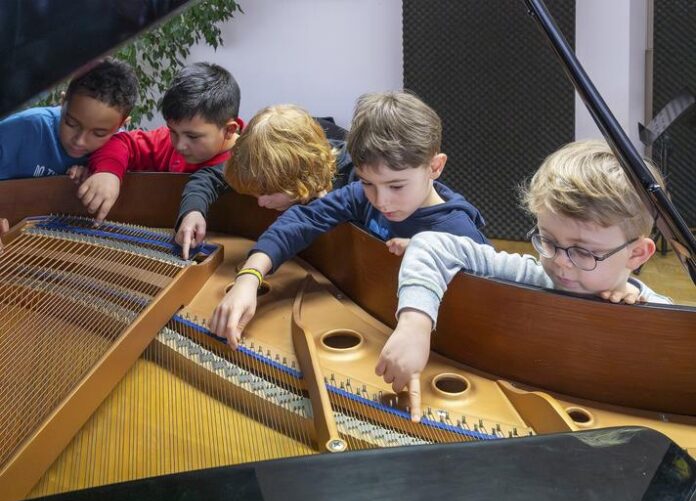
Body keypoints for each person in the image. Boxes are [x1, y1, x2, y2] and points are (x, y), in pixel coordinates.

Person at [377, 139, 672, 422]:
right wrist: (415, 323)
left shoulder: (662, 318)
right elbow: (432, 244)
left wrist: (638, 319)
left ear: (637, 254)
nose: (559, 261)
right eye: (548, 241)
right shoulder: (533, 276)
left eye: (583, 252)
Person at [209, 90, 488, 347]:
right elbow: (300, 220)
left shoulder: (459, 231)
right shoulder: (359, 195)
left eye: (396, 186)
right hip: (378, 316)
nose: (381, 201)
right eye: (368, 182)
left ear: (435, 167)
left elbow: (488, 306)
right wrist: (249, 276)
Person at [175, 104, 355, 259]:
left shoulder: (359, 180)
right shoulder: (261, 167)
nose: (261, 202)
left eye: (267, 192)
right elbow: (209, 177)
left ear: (300, 176)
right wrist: (193, 211)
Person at [80, 62, 242, 221]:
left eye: (193, 137)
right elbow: (122, 142)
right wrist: (109, 172)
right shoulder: (168, 142)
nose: (179, 145)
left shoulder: (250, 161)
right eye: (173, 131)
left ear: (229, 130)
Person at [0, 58, 137, 181]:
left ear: (120, 126)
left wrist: (95, 173)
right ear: (63, 101)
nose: (79, 141)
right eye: (71, 123)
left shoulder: (117, 151)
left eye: (98, 134)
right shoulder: (24, 129)